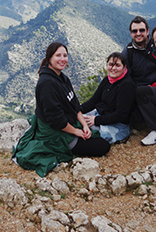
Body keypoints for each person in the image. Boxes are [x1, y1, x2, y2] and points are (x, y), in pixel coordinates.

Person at [13, 42, 110, 176]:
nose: (62, 59)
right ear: (49, 58)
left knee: (97, 133)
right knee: (103, 146)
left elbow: (75, 105)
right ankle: (65, 147)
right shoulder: (47, 83)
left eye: (65, 55)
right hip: (55, 133)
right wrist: (77, 131)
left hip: (68, 122)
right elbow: (56, 120)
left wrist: (84, 125)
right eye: (58, 55)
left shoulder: (62, 78)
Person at [80, 52, 136, 144]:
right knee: (77, 119)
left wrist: (96, 120)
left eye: (117, 65)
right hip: (100, 114)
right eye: (110, 64)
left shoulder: (127, 85)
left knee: (91, 135)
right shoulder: (107, 80)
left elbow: (121, 115)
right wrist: (77, 110)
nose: (113, 68)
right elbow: (94, 101)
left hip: (117, 124)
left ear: (124, 67)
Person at [121, 16, 156, 86]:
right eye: (134, 31)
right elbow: (124, 77)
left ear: (147, 31)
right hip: (139, 91)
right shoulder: (128, 53)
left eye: (141, 30)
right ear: (130, 33)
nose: (138, 33)